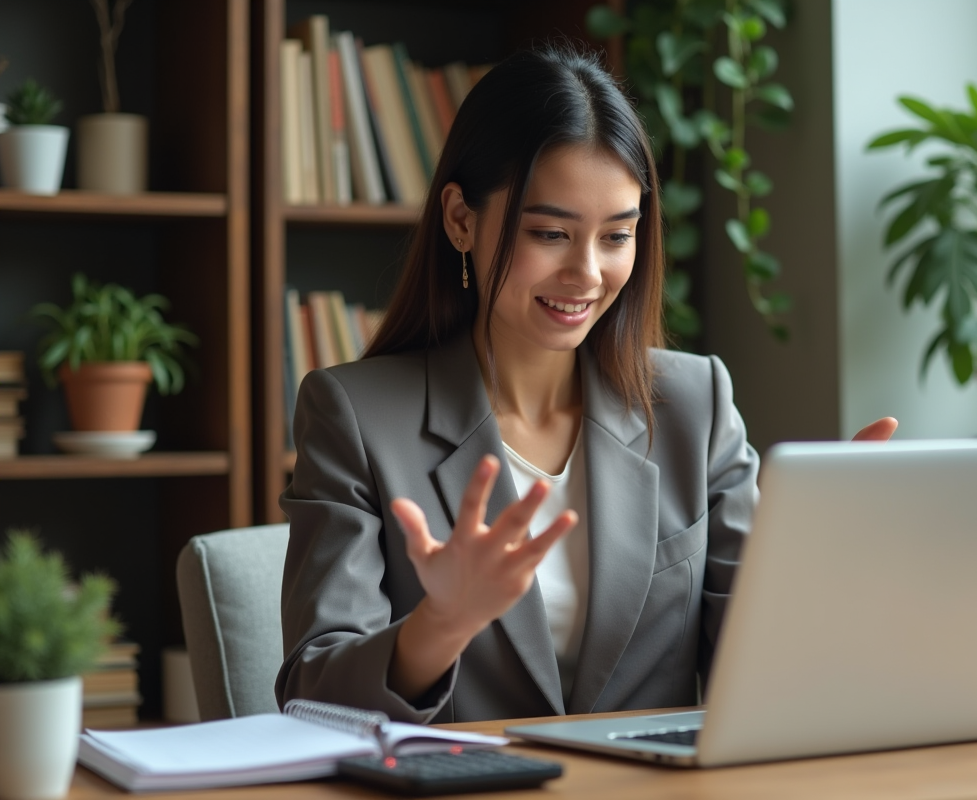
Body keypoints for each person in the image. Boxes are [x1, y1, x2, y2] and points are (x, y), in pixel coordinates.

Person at [275, 44, 896, 725]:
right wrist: (441, 626)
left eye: (617, 236)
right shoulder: (356, 417)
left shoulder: (696, 406)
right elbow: (313, 693)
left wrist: (824, 557)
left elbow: (757, 677)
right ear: (460, 219)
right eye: (550, 233)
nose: (588, 274)